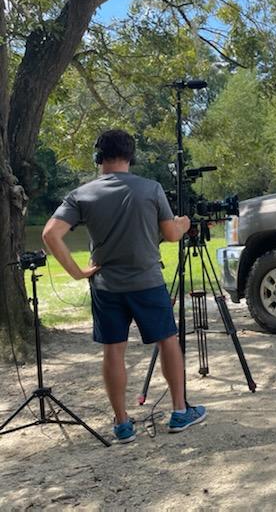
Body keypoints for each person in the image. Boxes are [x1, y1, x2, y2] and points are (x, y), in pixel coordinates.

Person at [42, 129, 206, 443]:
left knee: (113, 350)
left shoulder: (82, 194)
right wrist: (184, 224)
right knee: (167, 342)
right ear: (132, 156)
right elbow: (171, 235)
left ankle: (122, 423)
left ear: (98, 157)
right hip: (147, 282)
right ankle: (179, 411)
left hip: (105, 285)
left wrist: (78, 272)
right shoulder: (151, 188)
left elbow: (50, 234)